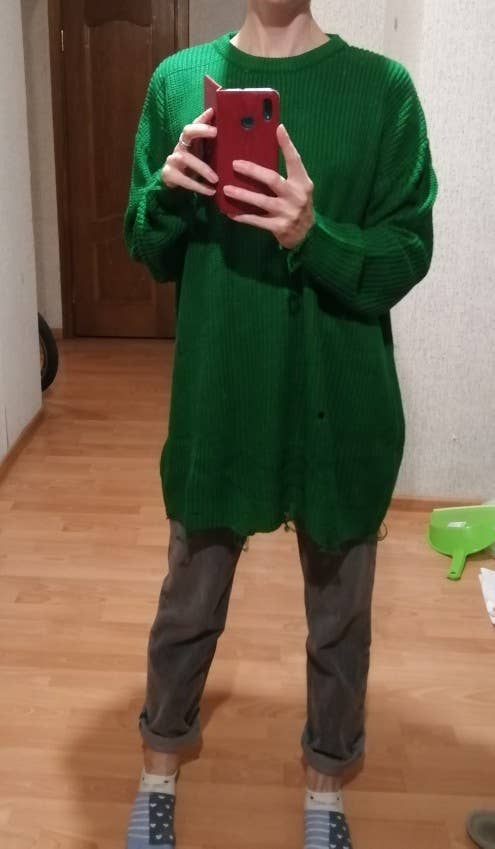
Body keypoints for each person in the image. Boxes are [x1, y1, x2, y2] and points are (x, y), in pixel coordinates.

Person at [123, 1, 438, 847]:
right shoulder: (177, 82)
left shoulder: (381, 90)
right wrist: (168, 193)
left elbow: (407, 252)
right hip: (220, 392)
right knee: (188, 606)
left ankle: (326, 789)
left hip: (341, 402)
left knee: (340, 622)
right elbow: (144, 245)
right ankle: (157, 770)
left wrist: (312, 232)